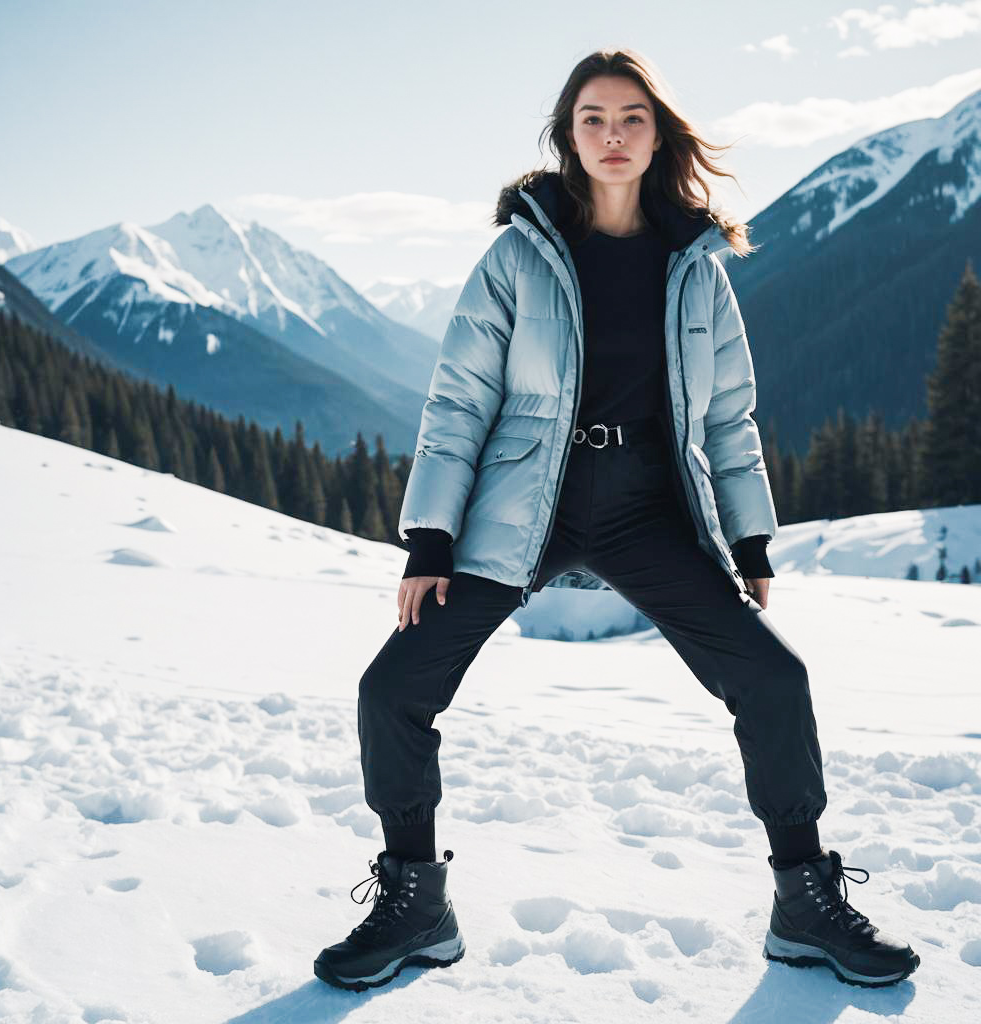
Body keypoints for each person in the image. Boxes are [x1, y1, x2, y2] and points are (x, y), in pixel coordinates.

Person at [313, 48, 920, 992]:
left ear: (658, 133)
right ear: (567, 136)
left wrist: (749, 537)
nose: (612, 135)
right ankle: (415, 904)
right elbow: (458, 401)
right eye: (592, 118)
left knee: (773, 678)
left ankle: (805, 903)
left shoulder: (696, 268)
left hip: (649, 510)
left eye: (631, 117)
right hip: (526, 507)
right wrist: (429, 541)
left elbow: (728, 418)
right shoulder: (519, 254)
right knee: (392, 687)